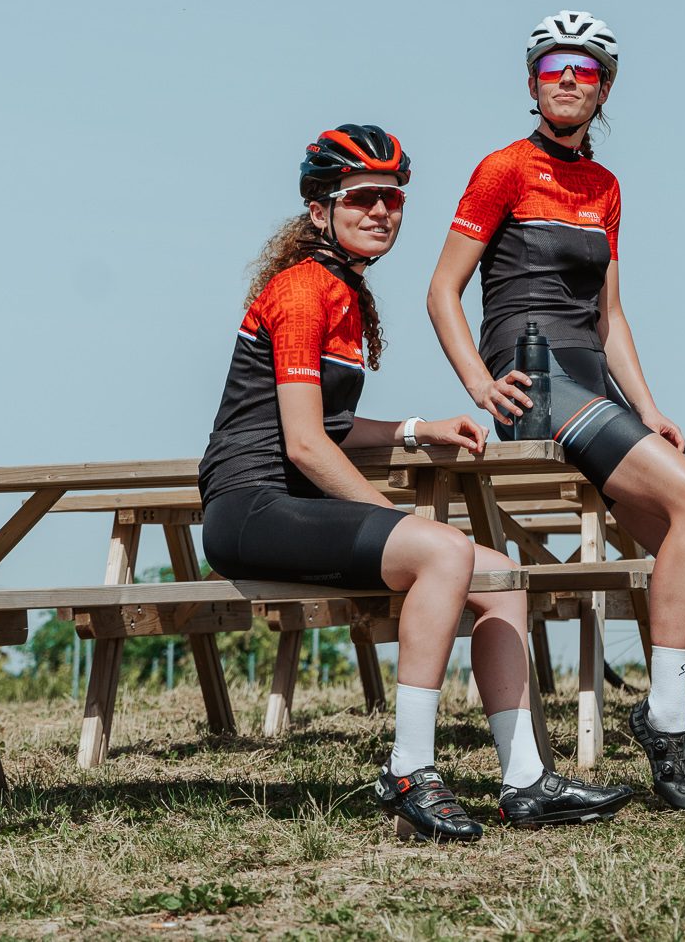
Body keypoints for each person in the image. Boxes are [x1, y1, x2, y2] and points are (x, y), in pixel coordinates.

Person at [426, 13, 685, 813]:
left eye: (583, 69)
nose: (566, 78)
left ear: (603, 88)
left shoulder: (605, 187)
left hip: (595, 388)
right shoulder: (503, 169)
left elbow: (610, 317)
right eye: (552, 66)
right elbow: (443, 290)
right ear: (533, 82)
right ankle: (665, 713)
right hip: (537, 384)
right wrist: (480, 382)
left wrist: (647, 407)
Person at [199, 124, 633, 838]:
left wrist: (415, 430)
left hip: (289, 504)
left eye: (392, 199)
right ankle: (409, 771)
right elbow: (304, 444)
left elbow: (331, 424)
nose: (381, 211)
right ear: (319, 211)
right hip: (249, 507)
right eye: (361, 198)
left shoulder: (342, 290)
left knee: (501, 578)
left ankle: (526, 780)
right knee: (444, 551)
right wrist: (396, 520)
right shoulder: (302, 291)